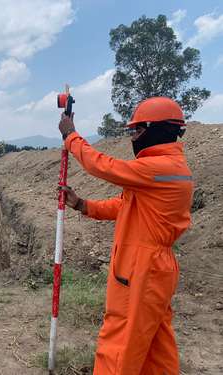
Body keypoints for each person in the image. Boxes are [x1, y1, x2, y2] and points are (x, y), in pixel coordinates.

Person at [58, 97, 193, 375]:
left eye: (137, 131)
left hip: (142, 269)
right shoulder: (169, 170)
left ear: (156, 130)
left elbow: (102, 166)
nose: (133, 137)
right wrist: (85, 205)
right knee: (156, 344)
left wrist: (71, 136)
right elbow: (125, 205)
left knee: (119, 345)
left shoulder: (159, 169)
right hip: (158, 269)